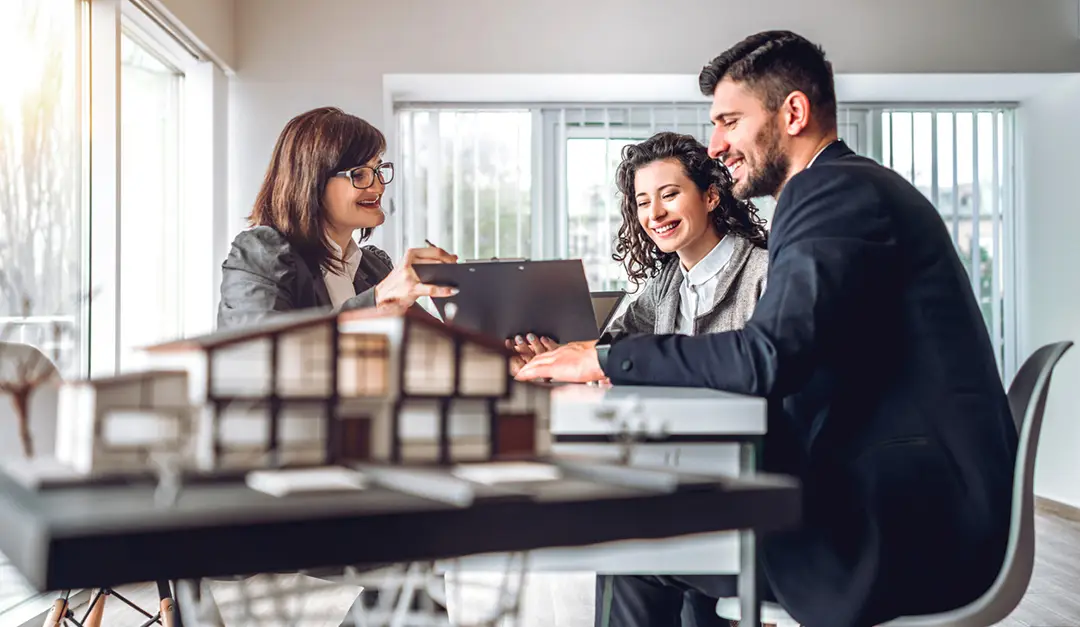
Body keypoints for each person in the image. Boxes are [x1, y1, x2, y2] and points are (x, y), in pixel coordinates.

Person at [516, 30, 1017, 627]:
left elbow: (766, 357)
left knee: (635, 543)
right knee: (670, 521)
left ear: (793, 113)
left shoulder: (830, 191)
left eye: (730, 121)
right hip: (914, 509)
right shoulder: (852, 187)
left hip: (907, 531)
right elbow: (798, 361)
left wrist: (603, 360)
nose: (716, 144)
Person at [508, 131, 769, 380]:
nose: (655, 213)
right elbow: (614, 347)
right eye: (643, 202)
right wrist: (554, 356)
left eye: (669, 195)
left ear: (711, 197)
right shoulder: (668, 283)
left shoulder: (763, 272)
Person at [217, 106, 457, 329]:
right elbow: (262, 349)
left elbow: (439, 343)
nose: (379, 187)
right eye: (359, 174)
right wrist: (377, 300)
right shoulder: (259, 254)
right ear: (312, 182)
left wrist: (462, 299)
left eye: (378, 170)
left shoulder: (373, 267)